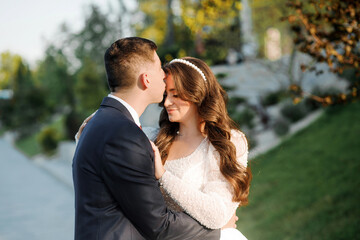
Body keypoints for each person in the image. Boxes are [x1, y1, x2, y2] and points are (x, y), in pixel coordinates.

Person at [72, 37, 220, 240]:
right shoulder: (123, 135)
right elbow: (159, 225)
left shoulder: (102, 123)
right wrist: (220, 232)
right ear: (146, 79)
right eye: (159, 67)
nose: (164, 74)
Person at [152, 57, 252, 240]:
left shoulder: (227, 142)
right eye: (166, 95)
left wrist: (164, 176)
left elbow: (216, 215)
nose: (166, 103)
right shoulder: (156, 139)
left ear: (196, 93)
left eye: (175, 94)